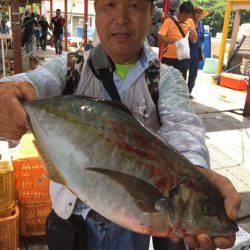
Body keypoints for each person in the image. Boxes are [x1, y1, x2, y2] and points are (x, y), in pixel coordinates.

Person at [0, 0, 240, 250]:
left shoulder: (164, 79)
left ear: (151, 14)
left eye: (135, 6)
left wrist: (195, 168)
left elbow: (183, 126)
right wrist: (10, 91)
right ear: (97, 11)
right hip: (70, 221)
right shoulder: (71, 67)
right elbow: (39, 80)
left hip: (130, 230)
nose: (121, 17)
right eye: (110, 5)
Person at [158, 2, 197, 80]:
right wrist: (174, 41)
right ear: (179, 11)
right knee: (165, 82)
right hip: (168, 58)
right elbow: (160, 37)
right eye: (184, 15)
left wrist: (193, 33)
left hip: (183, 58)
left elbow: (194, 40)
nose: (186, 18)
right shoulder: (169, 21)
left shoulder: (190, 22)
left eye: (188, 16)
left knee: (180, 84)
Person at [188, 6, 208, 98]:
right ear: (193, 13)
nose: (198, 14)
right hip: (187, 49)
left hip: (196, 51)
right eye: (196, 12)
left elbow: (201, 39)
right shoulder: (188, 22)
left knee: (194, 73)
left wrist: (201, 52)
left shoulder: (201, 25)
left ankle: (188, 91)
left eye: (200, 13)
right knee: (183, 71)